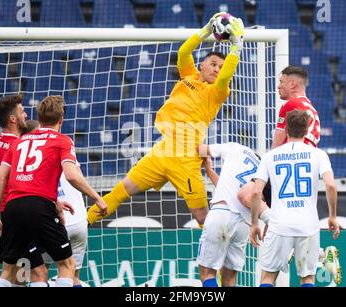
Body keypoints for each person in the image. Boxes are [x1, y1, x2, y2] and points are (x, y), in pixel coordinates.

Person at [87, 13, 245, 227]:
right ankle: (81, 224)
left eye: (220, 66)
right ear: (202, 65)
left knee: (202, 217)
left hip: (187, 159)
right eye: (213, 64)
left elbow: (226, 76)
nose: (217, 69)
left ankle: (217, 257)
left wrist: (236, 46)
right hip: (162, 152)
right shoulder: (188, 76)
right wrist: (206, 30)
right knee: (122, 189)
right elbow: (183, 51)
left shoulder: (216, 93)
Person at [0, 95, 107, 287]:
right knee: (66, 265)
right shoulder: (62, 141)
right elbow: (71, 175)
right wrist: (97, 198)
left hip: (12, 207)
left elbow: (1, 178)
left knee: (10, 271)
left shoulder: (18, 142)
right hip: (40, 207)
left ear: (39, 118)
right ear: (61, 120)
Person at [249, 110, 340, 287]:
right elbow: (330, 185)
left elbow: (255, 192)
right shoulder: (318, 154)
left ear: (286, 129)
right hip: (308, 225)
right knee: (307, 279)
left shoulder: (270, 156)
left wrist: (254, 224)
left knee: (268, 277)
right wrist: (333, 216)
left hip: (279, 225)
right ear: (307, 130)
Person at [0, 95, 47, 286]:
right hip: (7, 216)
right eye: (21, 111)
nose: (25, 114)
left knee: (16, 275)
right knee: (39, 273)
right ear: (12, 119)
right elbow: (23, 183)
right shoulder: (17, 146)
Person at [25, 120, 88, 287]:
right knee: (73, 275)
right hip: (79, 220)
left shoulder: (27, 161)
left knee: (39, 273)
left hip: (52, 223)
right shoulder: (63, 146)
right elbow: (77, 177)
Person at [196, 142, 269, 287]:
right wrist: (209, 172)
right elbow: (236, 190)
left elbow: (201, 149)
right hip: (244, 223)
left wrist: (201, 154)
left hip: (221, 212)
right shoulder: (263, 170)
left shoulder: (235, 148)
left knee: (207, 273)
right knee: (229, 278)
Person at [272, 65, 320, 149]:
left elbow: (278, 141)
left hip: (293, 156)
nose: (278, 86)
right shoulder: (311, 108)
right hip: (310, 156)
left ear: (292, 84)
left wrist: (269, 158)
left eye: (281, 82)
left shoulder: (291, 104)